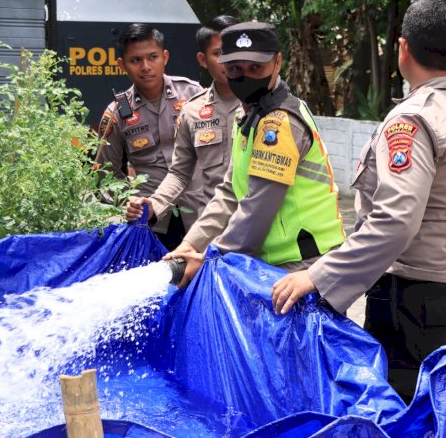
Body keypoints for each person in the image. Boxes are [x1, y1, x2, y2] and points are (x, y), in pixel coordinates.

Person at [271, 0, 446, 403]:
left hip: (416, 302)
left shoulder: (413, 119)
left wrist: (320, 276)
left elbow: (395, 220)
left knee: (402, 419)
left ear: (402, 48)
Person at [165, 21, 347, 284]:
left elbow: (256, 212)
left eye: (256, 67)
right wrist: (190, 244)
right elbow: (229, 192)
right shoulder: (249, 114)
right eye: (236, 68)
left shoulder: (279, 123)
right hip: (276, 263)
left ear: (277, 63)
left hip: (303, 266)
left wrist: (208, 259)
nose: (246, 76)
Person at [124, 15, 241, 230]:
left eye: (235, 52)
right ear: (203, 60)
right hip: (208, 227)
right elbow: (180, 172)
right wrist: (151, 205)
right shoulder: (194, 109)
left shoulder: (269, 105)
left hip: (257, 225)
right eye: (218, 53)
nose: (229, 60)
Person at [95, 23, 203, 250]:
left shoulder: (193, 95)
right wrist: (129, 203)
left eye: (152, 57)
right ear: (121, 65)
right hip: (153, 223)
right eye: (136, 60)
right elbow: (105, 176)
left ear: (165, 57)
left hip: (201, 213)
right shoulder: (117, 113)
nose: (145, 67)